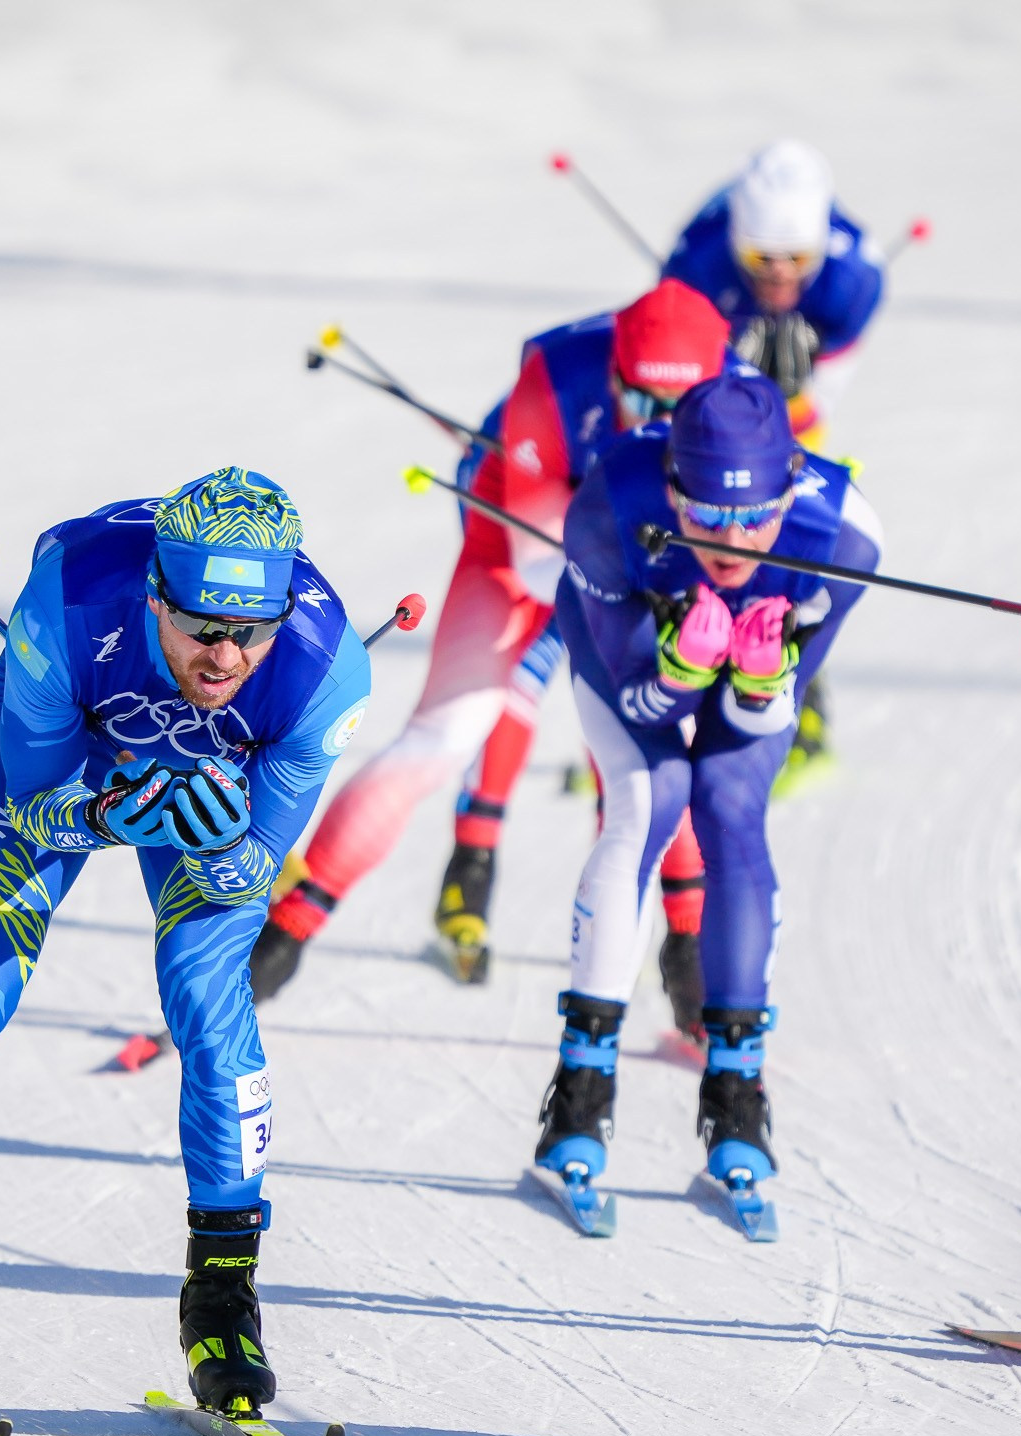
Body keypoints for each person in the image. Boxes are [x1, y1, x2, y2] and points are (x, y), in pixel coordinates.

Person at [0, 468, 369, 1417]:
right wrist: (102, 811)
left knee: (206, 993)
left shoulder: (324, 667)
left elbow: (253, 872)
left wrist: (225, 844)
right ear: (156, 595)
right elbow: (32, 800)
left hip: (218, 776)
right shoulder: (64, 604)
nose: (226, 655)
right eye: (202, 627)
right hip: (71, 758)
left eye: (251, 630)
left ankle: (223, 1298)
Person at [253, 279, 732, 1002]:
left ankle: (690, 948)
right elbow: (537, 563)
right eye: (642, 399)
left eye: (681, 405)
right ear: (614, 373)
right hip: (515, 545)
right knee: (444, 734)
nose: (659, 422)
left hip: (639, 563)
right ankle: (286, 929)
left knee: (663, 744)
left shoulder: (738, 401)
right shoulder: (559, 377)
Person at [535, 368, 882, 1199]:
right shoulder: (609, 505)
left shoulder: (847, 537)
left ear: (790, 487)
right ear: (670, 488)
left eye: (756, 519)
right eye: (705, 518)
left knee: (729, 807)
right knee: (646, 801)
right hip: (630, 657)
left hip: (734, 662)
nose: (733, 544)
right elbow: (636, 697)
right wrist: (683, 667)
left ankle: (737, 1092)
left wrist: (759, 682)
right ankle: (580, 1088)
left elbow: (765, 715)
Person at [665, 139, 890, 799]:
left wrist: (794, 392)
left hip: (805, 372)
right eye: (761, 260)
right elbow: (684, 399)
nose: (781, 277)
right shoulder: (696, 265)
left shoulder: (852, 282)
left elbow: (815, 418)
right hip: (713, 353)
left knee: (784, 515)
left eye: (798, 262)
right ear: (737, 244)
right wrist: (730, 367)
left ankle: (795, 684)